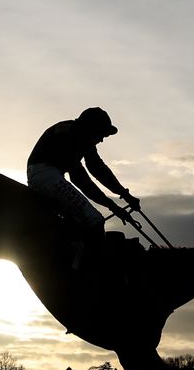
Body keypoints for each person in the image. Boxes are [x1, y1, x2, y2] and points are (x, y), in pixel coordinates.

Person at [27, 107, 141, 269]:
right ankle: (90, 271)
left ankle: (75, 260)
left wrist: (124, 195)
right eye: (102, 134)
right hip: (46, 175)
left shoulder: (78, 134)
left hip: (45, 175)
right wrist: (113, 206)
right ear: (92, 128)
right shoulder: (72, 135)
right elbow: (81, 179)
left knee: (80, 220)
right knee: (94, 219)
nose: (102, 139)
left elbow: (97, 168)